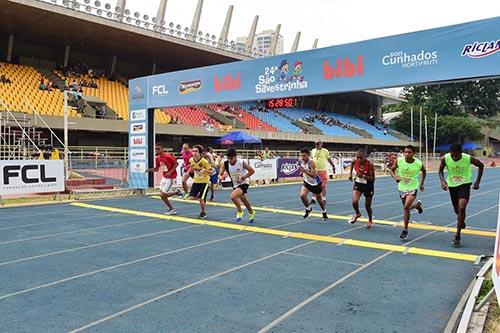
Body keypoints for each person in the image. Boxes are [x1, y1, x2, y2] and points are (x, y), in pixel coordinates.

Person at [438, 143, 484, 246]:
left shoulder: (468, 158)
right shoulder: (445, 158)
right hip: (452, 186)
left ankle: (457, 236)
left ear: (460, 153)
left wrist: (477, 181)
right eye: (452, 155)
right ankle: (461, 221)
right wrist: (443, 182)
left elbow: (481, 166)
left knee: (461, 207)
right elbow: (440, 171)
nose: (454, 157)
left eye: (456, 155)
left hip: (464, 184)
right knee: (457, 210)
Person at [389, 145, 426, 240]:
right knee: (407, 207)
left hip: (412, 187)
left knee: (406, 207)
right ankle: (417, 206)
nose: (407, 154)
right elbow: (391, 170)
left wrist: (422, 183)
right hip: (402, 187)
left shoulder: (418, 163)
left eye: (409, 152)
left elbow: (424, 171)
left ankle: (405, 229)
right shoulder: (400, 160)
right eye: (405, 152)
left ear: (414, 153)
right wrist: (395, 177)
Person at [219, 148, 257, 223]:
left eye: (231, 158)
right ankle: (252, 212)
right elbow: (219, 175)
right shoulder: (225, 164)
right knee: (244, 200)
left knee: (233, 196)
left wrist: (244, 177)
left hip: (244, 183)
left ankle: (240, 211)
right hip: (235, 184)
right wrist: (221, 177)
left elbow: (252, 171)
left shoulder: (241, 162)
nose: (230, 160)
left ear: (235, 157)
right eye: (228, 158)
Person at [146, 144, 182, 215]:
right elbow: (157, 169)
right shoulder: (158, 158)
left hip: (170, 177)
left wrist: (170, 172)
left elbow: (176, 164)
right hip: (164, 177)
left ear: (162, 149)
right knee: (162, 195)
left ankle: (172, 209)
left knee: (163, 195)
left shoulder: (168, 156)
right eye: (156, 149)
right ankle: (176, 192)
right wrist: (150, 170)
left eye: (158, 149)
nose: (156, 150)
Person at [348, 150, 375, 228]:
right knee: (354, 201)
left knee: (367, 206)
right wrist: (350, 175)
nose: (359, 159)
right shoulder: (354, 161)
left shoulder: (370, 164)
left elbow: (372, 179)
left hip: (368, 185)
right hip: (358, 183)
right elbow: (352, 166)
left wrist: (363, 176)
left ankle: (370, 220)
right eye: (358, 157)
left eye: (361, 158)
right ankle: (357, 213)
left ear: (365, 157)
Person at [299, 148, 328, 220]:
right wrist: (301, 173)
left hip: (315, 184)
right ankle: (308, 208)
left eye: (304, 156)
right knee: (302, 195)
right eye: (301, 156)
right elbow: (303, 170)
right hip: (307, 182)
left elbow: (314, 176)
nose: (302, 157)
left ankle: (324, 211)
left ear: (308, 155)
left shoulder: (311, 162)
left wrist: (304, 171)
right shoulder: (302, 162)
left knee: (319, 200)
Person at [187, 145, 212, 218]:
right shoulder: (191, 160)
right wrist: (189, 171)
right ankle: (199, 196)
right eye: (193, 151)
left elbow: (211, 171)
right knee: (191, 197)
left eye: (196, 151)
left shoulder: (204, 161)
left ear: (200, 153)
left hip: (204, 182)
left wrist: (204, 170)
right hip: (196, 181)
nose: (194, 153)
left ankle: (203, 212)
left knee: (201, 199)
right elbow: (192, 168)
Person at [311, 139, 336, 204]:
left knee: (323, 186)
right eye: (316, 143)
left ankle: (323, 198)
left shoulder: (325, 151)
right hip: (314, 170)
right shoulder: (313, 150)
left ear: (321, 144)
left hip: (322, 170)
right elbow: (311, 159)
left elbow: (328, 159)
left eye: (318, 143)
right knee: (314, 185)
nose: (317, 145)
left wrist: (333, 165)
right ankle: (313, 198)